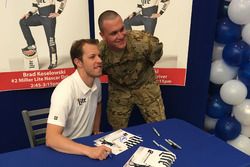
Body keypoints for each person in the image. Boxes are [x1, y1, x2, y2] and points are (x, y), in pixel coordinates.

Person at [98, 10, 166, 130]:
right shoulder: (100, 53)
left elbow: (156, 53)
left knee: (160, 127)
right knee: (116, 132)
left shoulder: (143, 41)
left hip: (145, 85)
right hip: (119, 90)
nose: (120, 36)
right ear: (102, 35)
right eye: (113, 33)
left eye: (122, 29)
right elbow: (98, 71)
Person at [46, 39, 111, 160]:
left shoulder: (96, 81)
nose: (100, 61)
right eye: (92, 57)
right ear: (78, 62)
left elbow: (98, 103)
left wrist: (96, 130)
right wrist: (89, 151)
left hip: (87, 144)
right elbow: (51, 139)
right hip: (67, 150)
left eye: (99, 56)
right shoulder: (65, 90)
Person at [19, 0, 67, 69]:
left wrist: (58, 12)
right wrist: (29, 14)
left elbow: (64, 0)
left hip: (49, 19)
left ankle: (53, 61)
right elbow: (35, 7)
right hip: (40, 17)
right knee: (23, 22)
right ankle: (31, 45)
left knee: (50, 41)